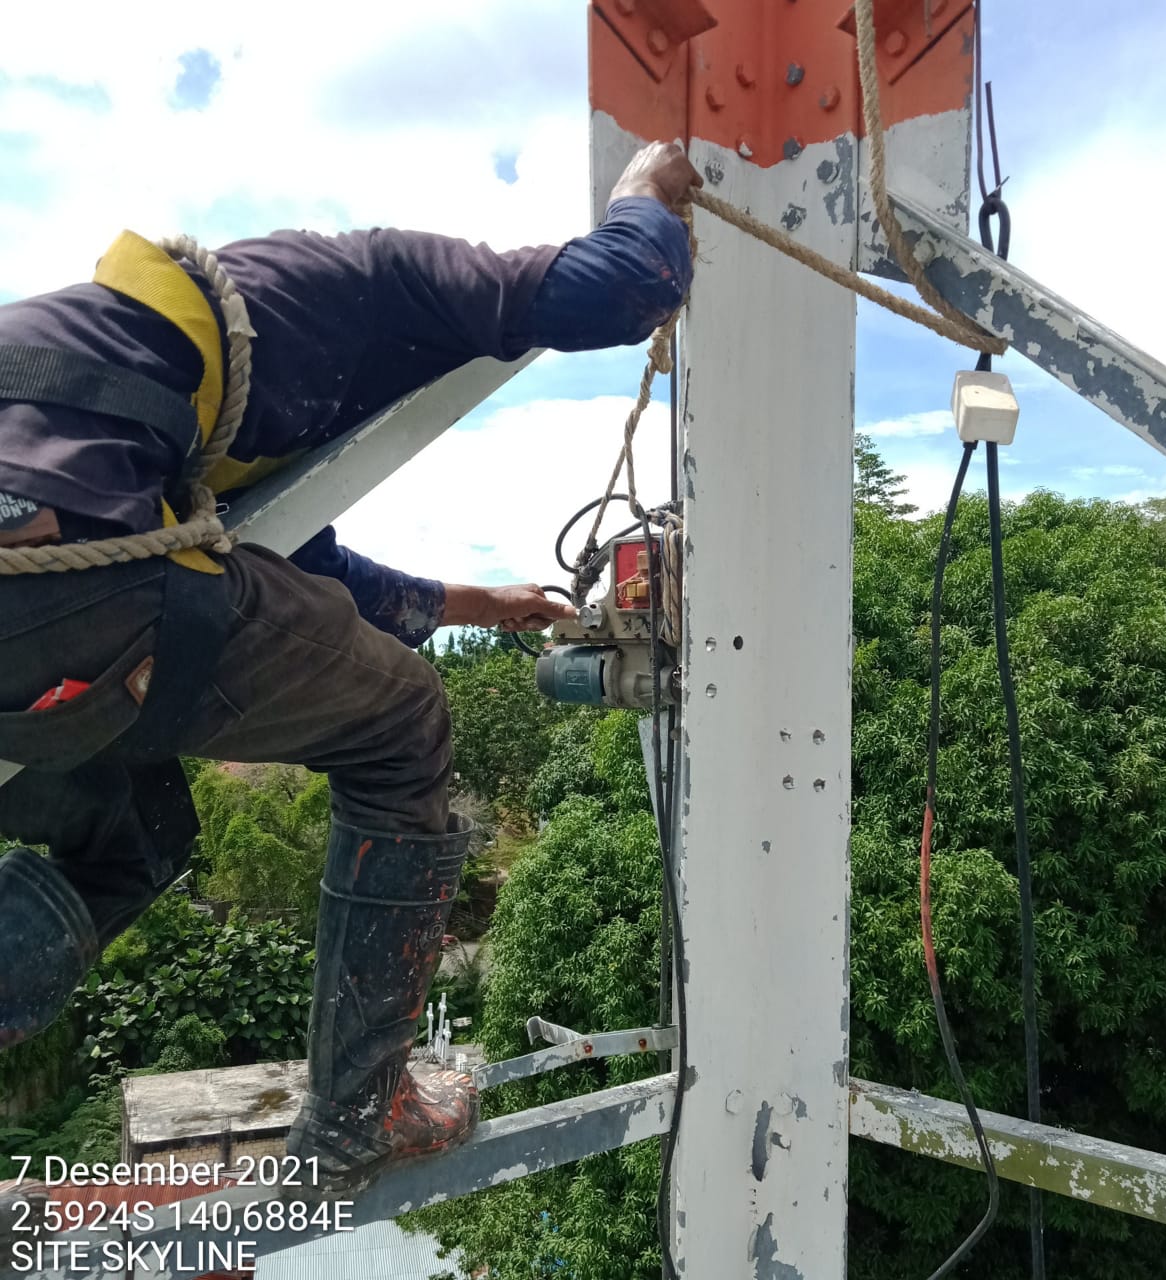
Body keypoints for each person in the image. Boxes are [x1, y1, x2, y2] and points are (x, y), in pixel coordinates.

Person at [0, 141, 700, 1192]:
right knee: (402, 719)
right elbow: (613, 286)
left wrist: (476, 603)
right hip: (65, 563)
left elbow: (285, 563)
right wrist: (642, 195)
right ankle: (358, 1117)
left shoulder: (183, 365)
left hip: (67, 571)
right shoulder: (375, 277)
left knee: (135, 833)